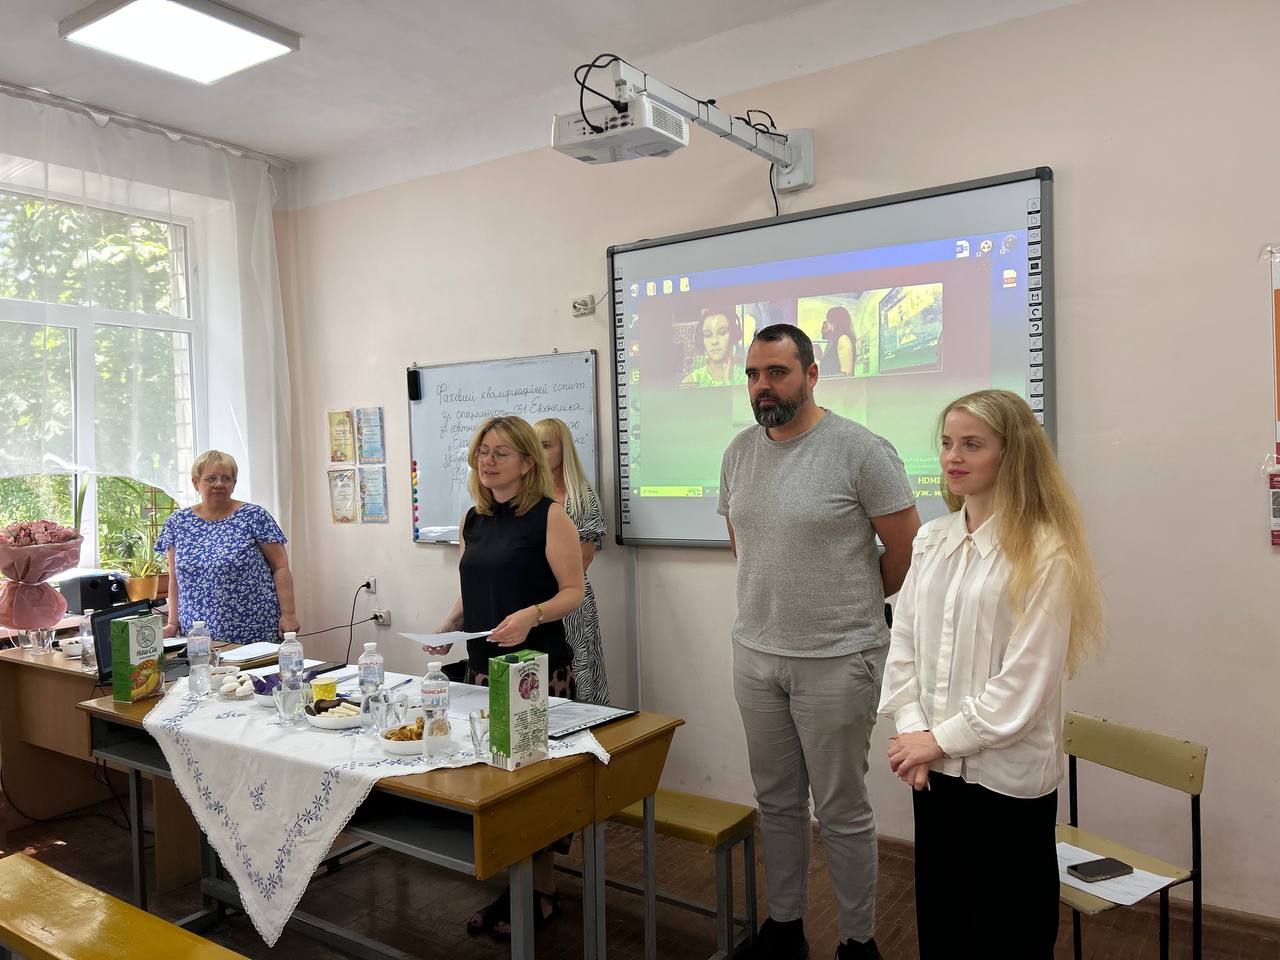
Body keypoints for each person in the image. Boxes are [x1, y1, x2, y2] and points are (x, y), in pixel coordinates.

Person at [877, 389, 1103, 960]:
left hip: (1005, 781)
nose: (953, 457)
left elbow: (1025, 683)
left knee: (1008, 933)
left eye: (972, 444)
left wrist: (935, 740)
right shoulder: (931, 539)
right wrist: (913, 732)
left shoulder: (1046, 552)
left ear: (1012, 453)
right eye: (947, 443)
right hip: (933, 771)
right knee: (944, 925)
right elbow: (904, 643)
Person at [719, 324, 920, 960]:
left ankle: (858, 942)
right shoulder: (739, 452)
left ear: (810, 374)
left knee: (841, 809)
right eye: (753, 375)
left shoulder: (860, 450)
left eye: (776, 372)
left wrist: (850, 604)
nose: (762, 386)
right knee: (777, 803)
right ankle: (785, 930)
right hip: (756, 655)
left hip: (839, 658)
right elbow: (745, 543)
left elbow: (906, 549)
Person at [426, 414, 584, 938]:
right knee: (494, 783)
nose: (487, 462)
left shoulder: (550, 516)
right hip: (481, 669)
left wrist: (532, 615)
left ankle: (541, 893)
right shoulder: (474, 519)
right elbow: (471, 586)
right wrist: (448, 626)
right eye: (482, 452)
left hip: (534, 672)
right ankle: (517, 888)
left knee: (530, 786)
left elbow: (573, 592)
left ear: (527, 463)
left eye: (500, 453)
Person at [156, 450, 298, 643]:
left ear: (234, 484)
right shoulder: (177, 522)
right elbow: (174, 577)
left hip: (254, 628)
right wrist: (172, 623)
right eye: (211, 478)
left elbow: (281, 567)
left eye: (226, 478)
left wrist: (288, 614)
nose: (219, 484)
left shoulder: (254, 516)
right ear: (196, 482)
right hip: (197, 633)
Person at [535, 417, 609, 704]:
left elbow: (583, 561)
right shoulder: (529, 497)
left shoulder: (581, 498)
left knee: (576, 676)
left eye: (546, 446)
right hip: (531, 603)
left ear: (563, 450)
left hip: (569, 603)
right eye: (534, 446)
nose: (539, 453)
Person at [683, 307, 747, 387]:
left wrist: (728, 382)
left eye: (722, 333)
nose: (714, 341)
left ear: (732, 335)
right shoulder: (691, 381)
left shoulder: (745, 378)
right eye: (708, 335)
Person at [818, 305, 856, 377]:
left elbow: (846, 374)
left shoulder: (843, 339)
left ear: (836, 322)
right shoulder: (832, 343)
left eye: (829, 319)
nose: (825, 322)